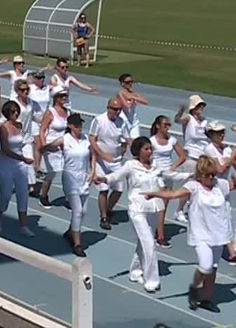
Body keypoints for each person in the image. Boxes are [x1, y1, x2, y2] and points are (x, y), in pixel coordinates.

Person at [144, 156, 236, 311]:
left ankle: (206, 298)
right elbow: (174, 194)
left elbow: (235, 185)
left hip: (218, 234)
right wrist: (155, 194)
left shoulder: (219, 185)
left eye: (213, 174)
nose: (211, 178)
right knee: (205, 265)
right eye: (208, 175)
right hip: (201, 234)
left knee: (213, 268)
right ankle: (194, 287)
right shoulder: (193, 186)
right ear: (200, 174)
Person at [95, 137, 166, 293]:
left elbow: (164, 181)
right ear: (138, 151)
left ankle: (135, 272)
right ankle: (152, 280)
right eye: (146, 149)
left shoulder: (155, 165)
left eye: (150, 148)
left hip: (153, 209)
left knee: (143, 243)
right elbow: (116, 176)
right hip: (137, 209)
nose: (150, 151)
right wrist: (103, 178)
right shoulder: (130, 165)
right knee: (149, 244)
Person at [0, 101, 35, 236]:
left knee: (23, 193)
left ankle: (23, 225)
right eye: (13, 111)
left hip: (20, 165)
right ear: (7, 113)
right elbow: (5, 149)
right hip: (6, 163)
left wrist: (27, 156)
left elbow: (24, 144)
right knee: (6, 195)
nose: (16, 113)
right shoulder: (3, 128)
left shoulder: (20, 126)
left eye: (17, 111)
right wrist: (23, 159)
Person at [57, 113, 95, 257]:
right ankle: (77, 244)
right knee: (77, 210)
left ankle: (71, 231)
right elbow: (48, 146)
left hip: (84, 177)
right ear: (70, 126)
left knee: (84, 211)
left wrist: (93, 170)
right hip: (70, 177)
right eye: (77, 125)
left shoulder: (85, 139)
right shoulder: (65, 140)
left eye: (81, 124)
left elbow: (93, 155)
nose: (80, 127)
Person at [203, 120, 236, 262]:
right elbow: (218, 168)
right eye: (218, 133)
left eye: (222, 132)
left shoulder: (227, 149)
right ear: (211, 134)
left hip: (225, 185)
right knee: (221, 218)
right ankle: (232, 252)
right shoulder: (209, 149)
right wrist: (230, 160)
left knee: (225, 217)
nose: (221, 135)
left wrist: (233, 161)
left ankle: (226, 248)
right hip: (215, 185)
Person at [90, 97, 130, 230]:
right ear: (108, 108)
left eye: (119, 109)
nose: (117, 112)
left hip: (116, 161)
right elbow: (92, 140)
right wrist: (102, 155)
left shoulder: (122, 122)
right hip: (101, 162)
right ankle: (103, 217)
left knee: (119, 189)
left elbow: (126, 139)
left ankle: (108, 209)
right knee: (103, 189)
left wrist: (127, 148)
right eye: (114, 109)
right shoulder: (99, 120)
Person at [150, 115, 186, 248]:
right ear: (158, 126)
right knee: (161, 206)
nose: (167, 127)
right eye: (165, 125)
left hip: (168, 176)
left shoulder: (172, 140)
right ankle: (160, 236)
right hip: (158, 176)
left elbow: (183, 156)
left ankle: (156, 231)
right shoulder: (152, 141)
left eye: (169, 125)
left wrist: (173, 166)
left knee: (163, 207)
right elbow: (146, 156)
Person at [174, 94, 209, 224]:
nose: (201, 108)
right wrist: (180, 112)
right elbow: (177, 120)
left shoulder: (205, 121)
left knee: (201, 186)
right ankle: (179, 210)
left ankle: (194, 209)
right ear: (193, 108)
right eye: (199, 106)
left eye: (202, 106)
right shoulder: (189, 119)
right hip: (190, 157)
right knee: (188, 186)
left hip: (202, 158)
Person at [38, 85, 69, 209]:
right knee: (50, 174)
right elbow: (42, 130)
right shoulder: (50, 112)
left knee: (68, 173)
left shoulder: (68, 111)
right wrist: (45, 145)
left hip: (64, 147)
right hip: (51, 147)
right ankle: (43, 196)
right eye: (62, 96)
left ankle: (69, 197)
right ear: (56, 98)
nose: (64, 98)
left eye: (65, 96)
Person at [12, 79, 39, 197]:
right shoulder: (13, 103)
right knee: (16, 162)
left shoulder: (31, 103)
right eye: (23, 90)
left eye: (27, 89)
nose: (25, 92)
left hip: (27, 136)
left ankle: (31, 186)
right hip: (15, 137)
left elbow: (35, 116)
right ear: (17, 91)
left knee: (29, 160)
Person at [29, 70, 51, 179]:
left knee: (43, 144)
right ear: (35, 79)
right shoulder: (30, 89)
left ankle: (39, 164)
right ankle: (37, 167)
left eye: (43, 77)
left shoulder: (47, 88)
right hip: (34, 120)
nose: (42, 79)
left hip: (45, 120)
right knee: (38, 143)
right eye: (39, 78)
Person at [116, 73, 148, 140]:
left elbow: (146, 102)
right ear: (122, 84)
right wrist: (132, 100)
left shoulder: (134, 93)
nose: (130, 84)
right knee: (124, 142)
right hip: (123, 121)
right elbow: (127, 106)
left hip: (134, 121)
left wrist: (133, 97)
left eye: (131, 82)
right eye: (128, 82)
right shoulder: (120, 93)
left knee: (136, 142)